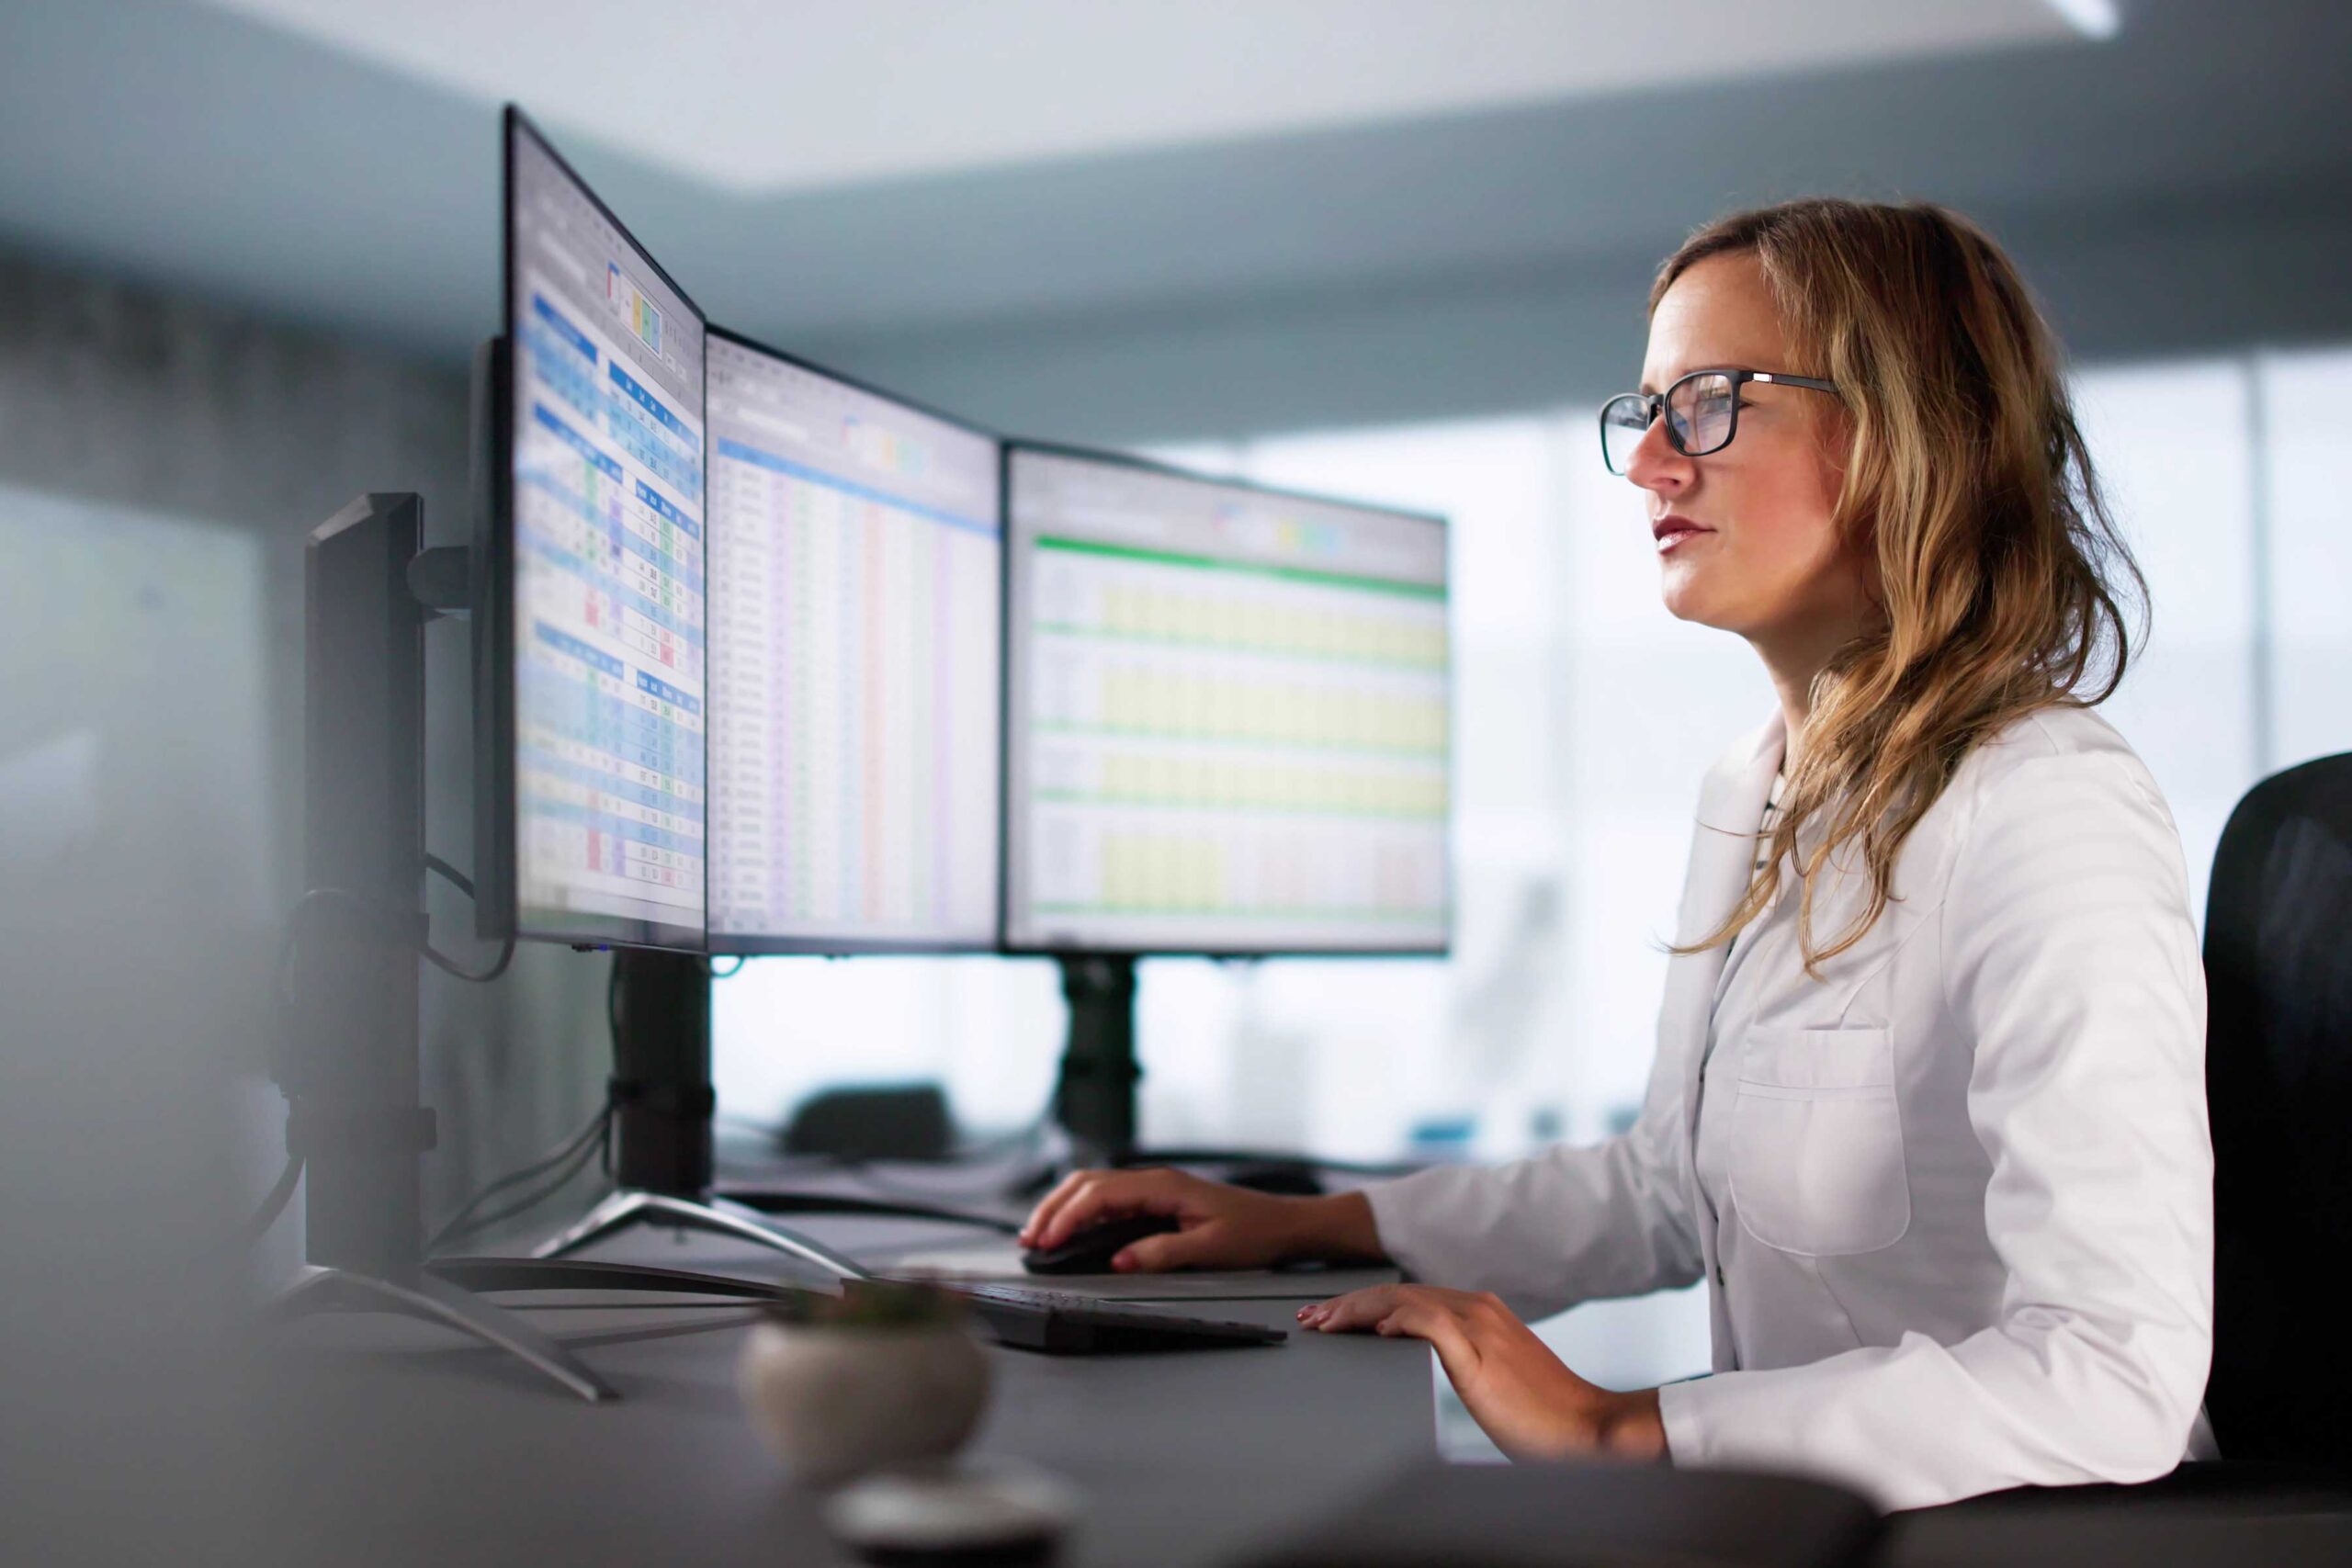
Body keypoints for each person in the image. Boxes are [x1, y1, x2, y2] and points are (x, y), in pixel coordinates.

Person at [1017, 198, 2213, 1512]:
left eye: (1705, 401)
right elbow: (1665, 1189)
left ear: (1902, 425)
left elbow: (2114, 1373)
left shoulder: (2048, 813)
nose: (1648, 461)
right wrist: (1310, 1223)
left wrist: (1622, 1430)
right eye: (1643, 411)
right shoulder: (1762, 787)